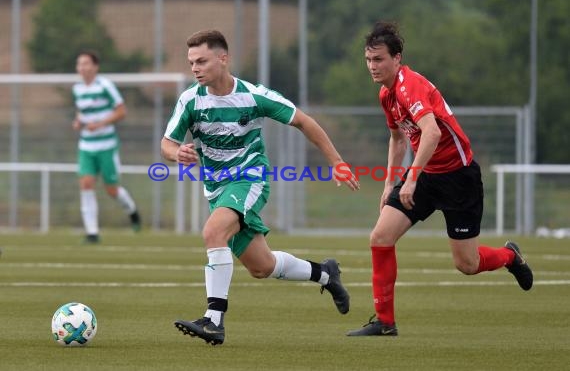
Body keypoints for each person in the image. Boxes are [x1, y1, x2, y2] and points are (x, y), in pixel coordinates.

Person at [161, 29, 360, 345]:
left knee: (213, 233)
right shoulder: (190, 100)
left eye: (201, 61)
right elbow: (167, 144)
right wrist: (177, 153)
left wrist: (336, 162)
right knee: (261, 266)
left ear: (223, 58)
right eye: (191, 63)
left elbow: (304, 121)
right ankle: (326, 274)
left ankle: (214, 321)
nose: (195, 68)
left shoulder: (254, 96)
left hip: (249, 179)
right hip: (216, 189)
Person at [346, 21, 533, 337]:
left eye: (378, 59)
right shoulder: (386, 95)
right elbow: (397, 139)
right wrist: (391, 183)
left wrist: (411, 179)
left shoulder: (410, 86)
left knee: (467, 264)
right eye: (368, 59)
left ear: (397, 58)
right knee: (380, 237)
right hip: (425, 175)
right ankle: (385, 322)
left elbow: (431, 132)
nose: (372, 66)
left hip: (458, 178)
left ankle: (509, 256)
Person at [72, 50, 141, 243]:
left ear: (95, 66)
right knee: (86, 184)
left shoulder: (105, 86)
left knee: (111, 189)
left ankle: (132, 211)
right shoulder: (77, 89)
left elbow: (121, 111)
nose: (82, 67)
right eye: (79, 64)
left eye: (86, 63)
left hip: (106, 145)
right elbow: (81, 111)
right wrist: (78, 122)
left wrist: (100, 124)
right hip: (86, 145)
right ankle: (92, 232)